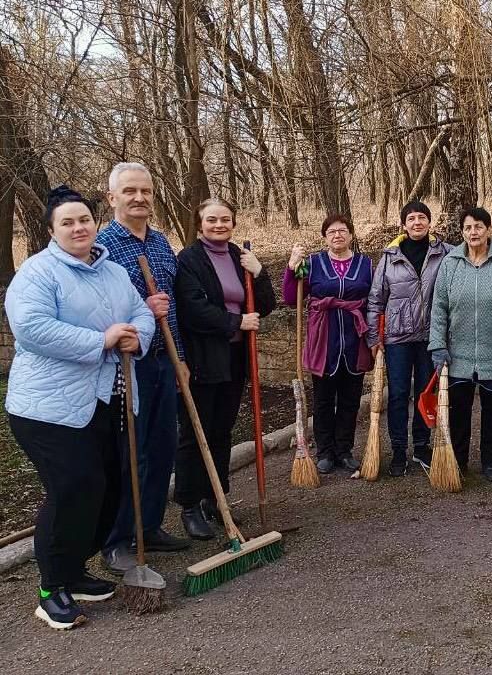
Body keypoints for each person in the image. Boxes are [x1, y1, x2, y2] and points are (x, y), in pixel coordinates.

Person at [5, 186, 155, 629]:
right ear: (52, 230)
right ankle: (51, 589)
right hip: (47, 409)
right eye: (67, 222)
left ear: (95, 222)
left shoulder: (111, 271)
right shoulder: (38, 273)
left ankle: (73, 571)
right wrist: (102, 340)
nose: (78, 227)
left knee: (107, 490)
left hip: (105, 398)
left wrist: (137, 335)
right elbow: (31, 329)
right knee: (74, 489)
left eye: (83, 220)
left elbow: (141, 312)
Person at [97, 162, 189, 574]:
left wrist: (180, 359)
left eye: (146, 191)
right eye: (130, 191)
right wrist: (141, 314)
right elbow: (96, 311)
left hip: (163, 361)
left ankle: (148, 526)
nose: (139, 198)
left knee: (163, 446)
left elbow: (174, 311)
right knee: (130, 453)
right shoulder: (101, 248)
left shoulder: (159, 242)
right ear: (112, 197)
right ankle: (117, 541)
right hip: (125, 365)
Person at [173, 199, 275, 539]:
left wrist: (259, 273)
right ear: (200, 223)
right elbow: (193, 310)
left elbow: (265, 306)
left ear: (233, 223)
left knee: (222, 431)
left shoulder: (238, 256)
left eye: (225, 220)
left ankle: (216, 498)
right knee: (195, 433)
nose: (219, 225)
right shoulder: (188, 260)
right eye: (212, 219)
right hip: (203, 357)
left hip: (234, 358)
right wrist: (237, 320)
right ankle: (190, 505)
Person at [428, 207, 492, 482]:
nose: (473, 232)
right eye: (468, 227)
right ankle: (458, 461)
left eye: (479, 227)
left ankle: (489, 462)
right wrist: (438, 345)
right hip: (458, 354)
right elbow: (439, 308)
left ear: (488, 229)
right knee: (459, 411)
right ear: (462, 232)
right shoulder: (450, 264)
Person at [366, 201, 451, 477]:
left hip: (431, 337)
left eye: (422, 218)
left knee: (426, 395)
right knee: (399, 394)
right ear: (403, 225)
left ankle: (422, 447)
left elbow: (477, 253)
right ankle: (399, 451)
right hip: (397, 338)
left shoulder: (445, 253)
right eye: (411, 218)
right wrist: (373, 336)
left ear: (429, 222)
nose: (417, 222)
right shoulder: (389, 257)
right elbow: (376, 300)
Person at [286, 214, 373, 474]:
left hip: (355, 339)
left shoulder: (366, 264)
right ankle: (325, 452)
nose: (338, 235)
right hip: (324, 338)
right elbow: (292, 298)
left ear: (351, 235)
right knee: (323, 400)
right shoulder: (312, 263)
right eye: (332, 232)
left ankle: (344, 450)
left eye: (342, 231)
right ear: (325, 237)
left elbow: (376, 298)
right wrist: (291, 267)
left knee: (350, 399)